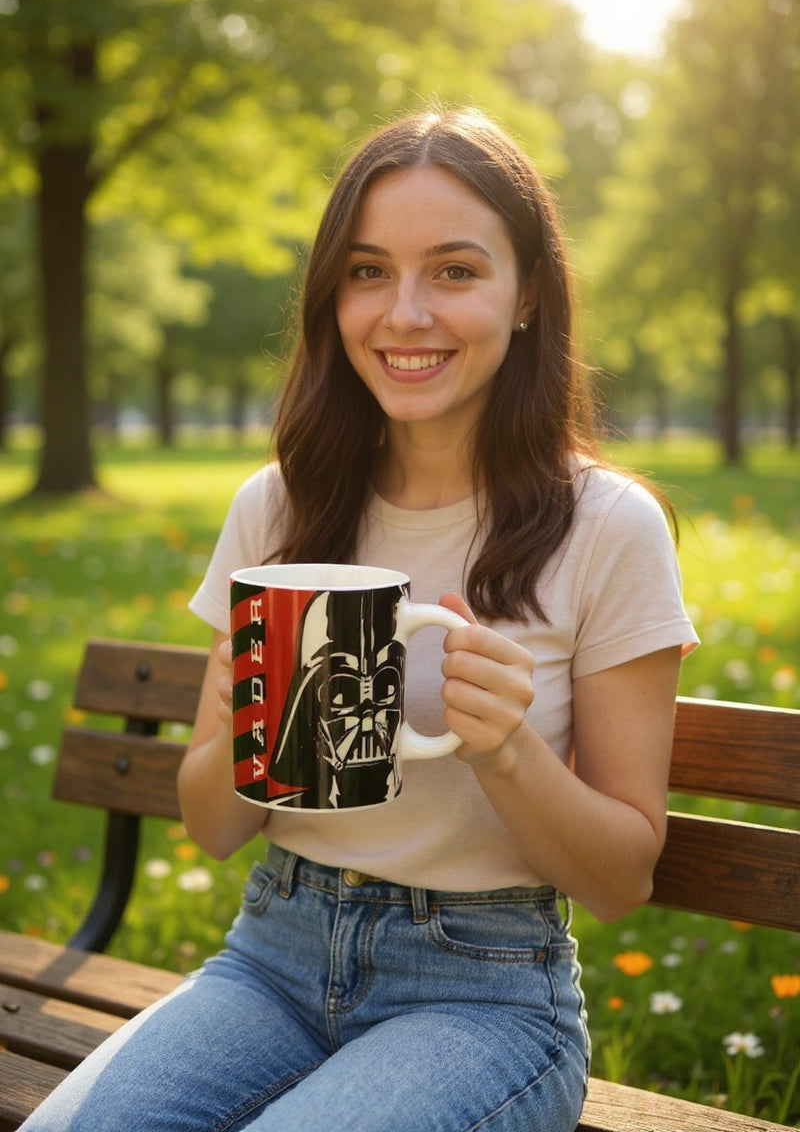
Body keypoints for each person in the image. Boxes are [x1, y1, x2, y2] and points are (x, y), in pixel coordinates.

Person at [21, 107, 698, 1132]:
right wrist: (236, 717)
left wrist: (508, 751)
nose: (404, 312)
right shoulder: (279, 505)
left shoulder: (605, 527)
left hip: (482, 998)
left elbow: (619, 878)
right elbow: (212, 828)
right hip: (271, 960)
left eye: (455, 272)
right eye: (368, 271)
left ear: (526, 300)